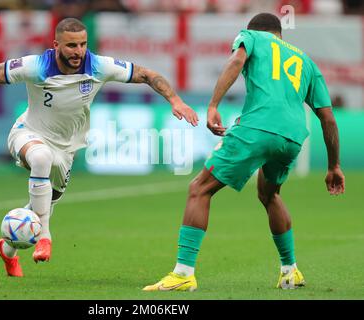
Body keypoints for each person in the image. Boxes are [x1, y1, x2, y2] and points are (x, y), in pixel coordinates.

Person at [0, 17, 199, 277]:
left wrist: (175, 101)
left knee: (47, 198)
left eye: (83, 44)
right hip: (28, 133)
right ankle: (45, 237)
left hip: (66, 149)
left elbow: (147, 74)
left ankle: (7, 249)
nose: (79, 52)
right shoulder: (36, 66)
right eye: (71, 46)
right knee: (41, 158)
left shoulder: (98, 65)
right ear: (56, 45)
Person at [143, 13, 345, 291]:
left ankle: (182, 273)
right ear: (280, 35)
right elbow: (328, 118)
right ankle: (290, 271)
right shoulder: (307, 62)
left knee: (199, 188)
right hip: (293, 138)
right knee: (269, 194)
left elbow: (236, 61)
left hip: (258, 127)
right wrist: (334, 166)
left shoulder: (250, 37)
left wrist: (213, 105)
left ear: (255, 31)